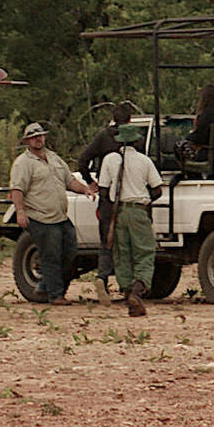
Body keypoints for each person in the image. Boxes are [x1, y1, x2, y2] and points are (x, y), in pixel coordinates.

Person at [8, 122, 98, 306]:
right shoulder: (23, 163)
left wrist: (85, 190)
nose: (38, 139)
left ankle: (44, 286)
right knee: (51, 255)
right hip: (40, 216)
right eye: (34, 137)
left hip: (60, 216)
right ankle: (56, 295)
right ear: (27, 141)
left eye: (40, 136)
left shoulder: (54, 158)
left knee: (71, 250)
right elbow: (17, 189)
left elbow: (69, 181)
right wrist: (20, 212)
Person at [97, 124, 164, 317]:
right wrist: (144, 199)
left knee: (122, 255)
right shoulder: (144, 161)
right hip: (138, 211)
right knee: (145, 253)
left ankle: (128, 295)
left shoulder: (109, 159)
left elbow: (103, 190)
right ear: (136, 141)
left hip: (119, 212)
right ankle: (137, 292)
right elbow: (158, 189)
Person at [76, 103, 134, 299]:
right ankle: (127, 286)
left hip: (107, 197)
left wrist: (91, 182)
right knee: (126, 242)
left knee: (106, 241)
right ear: (130, 120)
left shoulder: (103, 137)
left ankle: (102, 278)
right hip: (128, 196)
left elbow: (83, 161)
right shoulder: (135, 139)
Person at [178, 84, 214, 163]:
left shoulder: (206, 115)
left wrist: (190, 135)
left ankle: (193, 174)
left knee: (179, 146)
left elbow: (199, 137)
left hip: (210, 152)